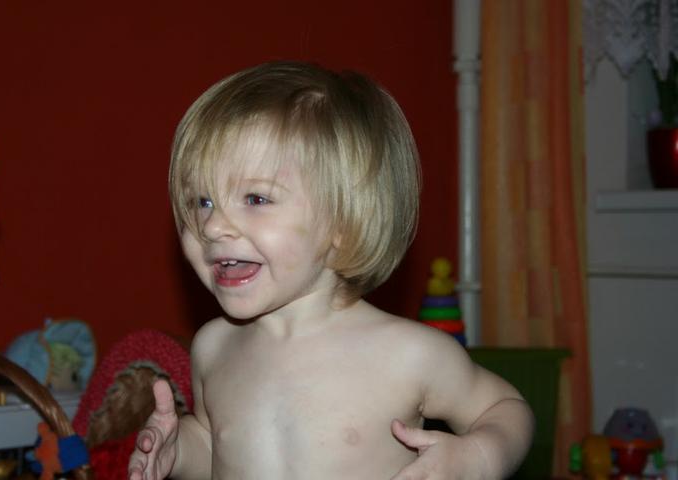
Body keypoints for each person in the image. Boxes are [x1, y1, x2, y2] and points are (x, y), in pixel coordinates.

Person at [128, 61, 533, 480]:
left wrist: (478, 456)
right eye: (202, 201)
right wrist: (178, 451)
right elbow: (217, 445)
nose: (212, 226)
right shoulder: (214, 348)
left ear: (343, 223)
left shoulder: (407, 354)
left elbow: (505, 408)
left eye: (255, 199)